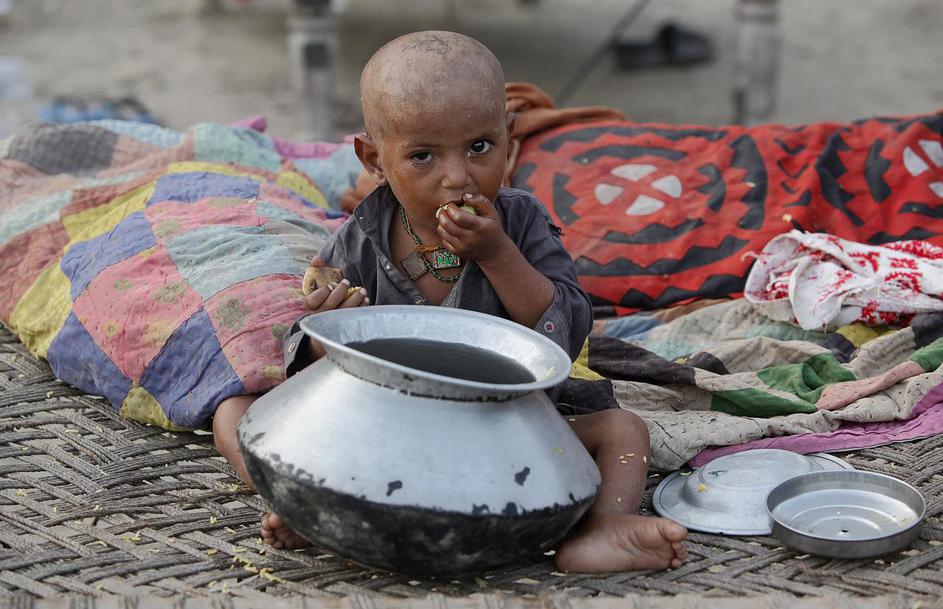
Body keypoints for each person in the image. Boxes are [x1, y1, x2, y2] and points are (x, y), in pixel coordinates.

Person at [212, 30, 688, 573]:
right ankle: (310, 503)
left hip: (506, 430)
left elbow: (569, 329)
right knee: (235, 411)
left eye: (480, 147)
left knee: (623, 430)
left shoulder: (521, 222)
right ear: (374, 159)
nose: (458, 175)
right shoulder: (362, 235)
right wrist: (328, 332)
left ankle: (602, 528)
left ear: (509, 139)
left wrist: (498, 254)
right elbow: (311, 357)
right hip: (384, 433)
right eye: (422, 156)